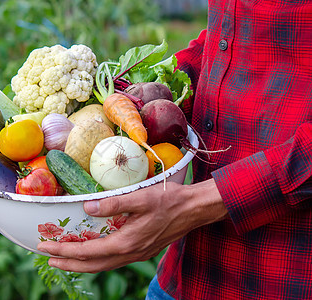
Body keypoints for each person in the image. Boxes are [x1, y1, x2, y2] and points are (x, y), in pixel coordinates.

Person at [37, 1, 312, 298]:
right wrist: (149, 94)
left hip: (280, 277)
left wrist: (194, 205)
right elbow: (234, 35)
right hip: (181, 276)